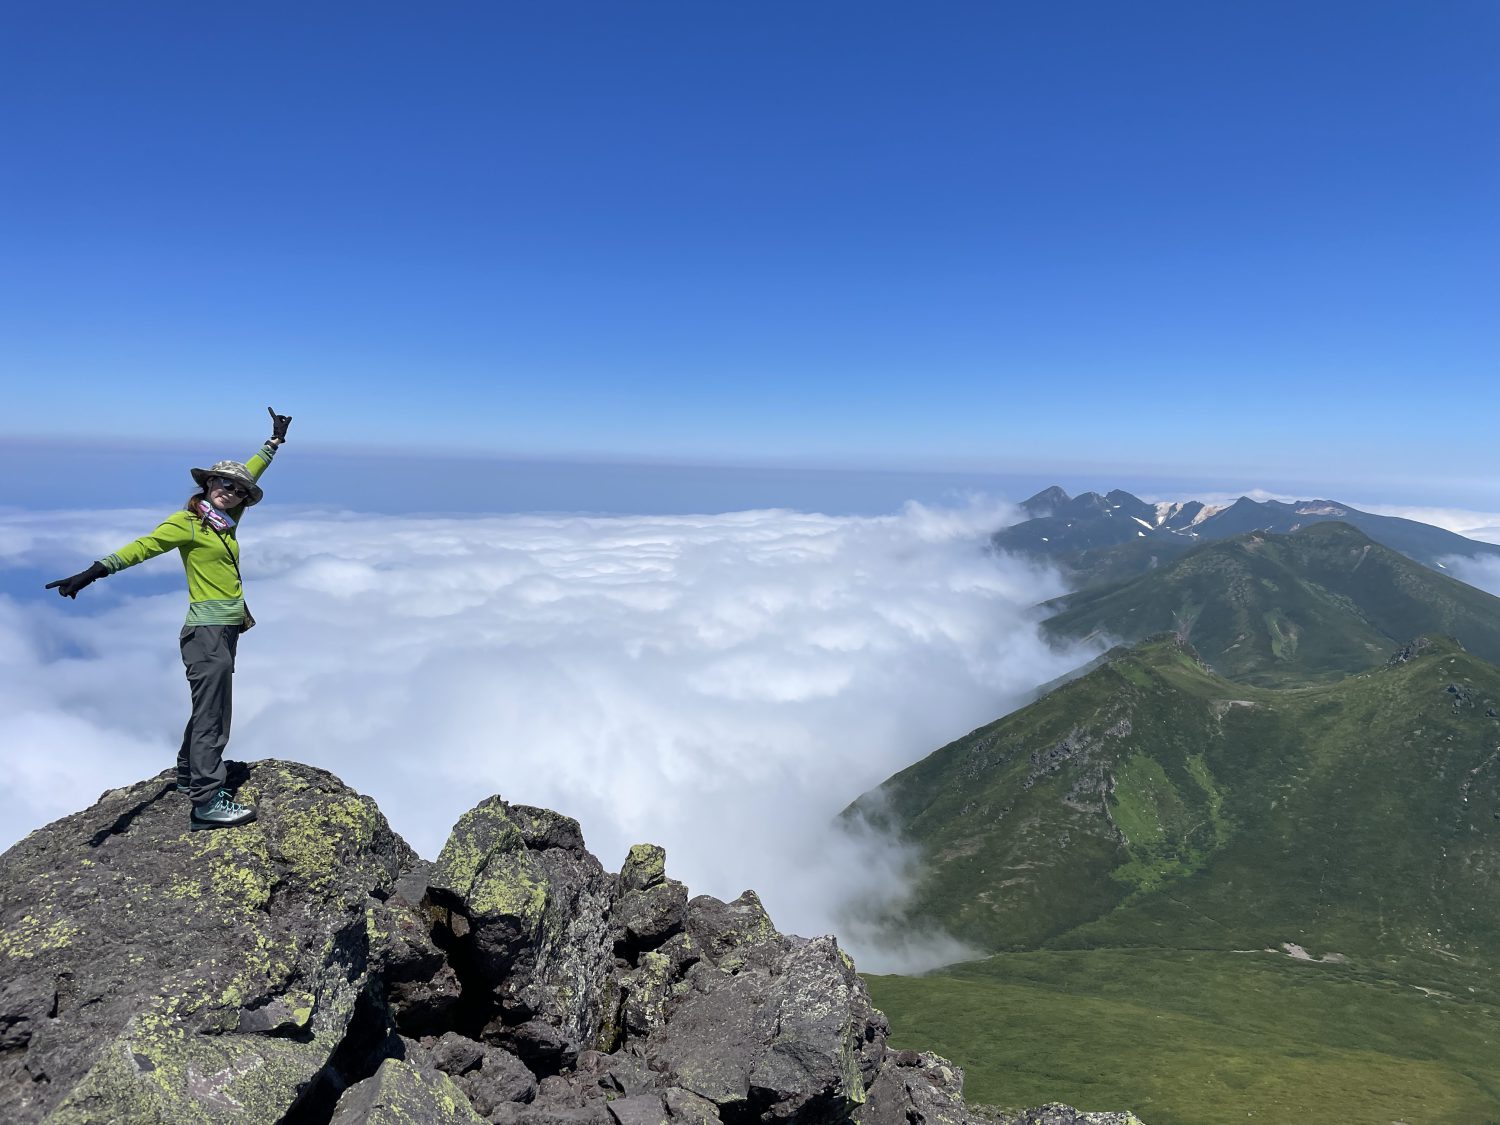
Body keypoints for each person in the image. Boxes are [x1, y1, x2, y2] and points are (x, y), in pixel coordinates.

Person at [47, 408, 293, 831]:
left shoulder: (225, 521)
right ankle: (206, 802)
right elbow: (141, 547)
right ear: (208, 483)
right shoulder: (188, 523)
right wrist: (92, 572)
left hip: (225, 628)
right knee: (214, 714)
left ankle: (186, 773)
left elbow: (250, 471)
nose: (231, 491)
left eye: (237, 488)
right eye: (223, 483)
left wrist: (272, 444)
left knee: (207, 706)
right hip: (207, 631)